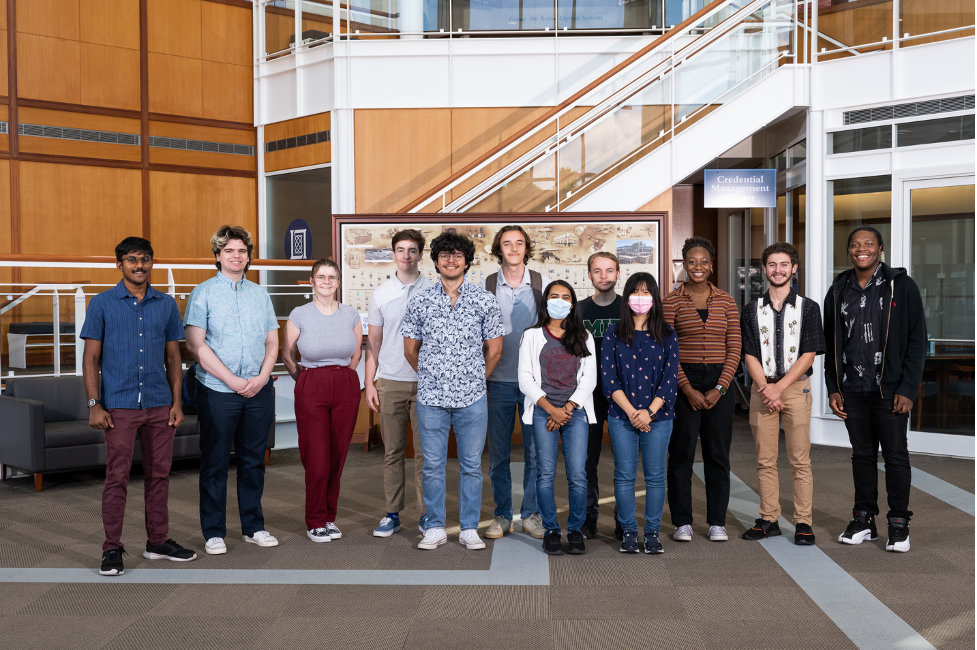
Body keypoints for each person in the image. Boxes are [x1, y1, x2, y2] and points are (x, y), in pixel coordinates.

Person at [81, 237, 197, 576]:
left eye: (145, 259)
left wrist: (177, 402)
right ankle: (112, 548)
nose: (139, 265)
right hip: (119, 405)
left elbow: (174, 357)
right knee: (116, 478)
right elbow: (91, 358)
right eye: (132, 259)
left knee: (159, 476)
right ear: (119, 264)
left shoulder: (165, 304)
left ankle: (157, 541)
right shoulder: (102, 304)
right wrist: (94, 404)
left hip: (160, 405)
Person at [825, 226, 926, 553]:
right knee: (862, 456)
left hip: (890, 389)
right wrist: (833, 387)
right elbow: (832, 343)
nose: (861, 249)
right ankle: (863, 518)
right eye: (855, 245)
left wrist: (908, 388)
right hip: (852, 389)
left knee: (895, 456)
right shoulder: (838, 289)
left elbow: (916, 341)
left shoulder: (901, 286)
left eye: (868, 244)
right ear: (850, 251)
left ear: (880, 249)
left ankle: (899, 523)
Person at [402, 233, 505, 551]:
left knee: (471, 465)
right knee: (432, 464)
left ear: (468, 261)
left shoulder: (483, 299)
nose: (451, 259)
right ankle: (434, 526)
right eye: (444, 254)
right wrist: (433, 377)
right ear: (435, 261)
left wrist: (475, 379)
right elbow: (410, 349)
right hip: (430, 398)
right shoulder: (420, 299)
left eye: (458, 254)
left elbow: (495, 349)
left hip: (472, 398)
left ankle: (469, 528)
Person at [184, 225, 280, 555]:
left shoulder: (260, 294)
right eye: (228, 251)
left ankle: (253, 526)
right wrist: (232, 380)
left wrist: (261, 378)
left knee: (254, 462)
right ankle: (213, 531)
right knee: (215, 463)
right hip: (217, 391)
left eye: (241, 251)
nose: (236, 256)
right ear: (217, 256)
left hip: (258, 390)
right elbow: (196, 346)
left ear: (249, 256)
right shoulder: (203, 293)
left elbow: (272, 341)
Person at [741, 243, 825, 546]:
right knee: (765, 459)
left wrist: (779, 387)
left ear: (794, 268)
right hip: (762, 390)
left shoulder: (809, 307)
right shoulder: (752, 309)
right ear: (765, 269)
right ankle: (769, 519)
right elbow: (749, 353)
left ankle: (803, 522)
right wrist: (766, 387)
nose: (778, 270)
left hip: (795, 388)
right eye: (772, 264)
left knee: (800, 459)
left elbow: (809, 353)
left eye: (784, 264)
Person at [663, 237, 741, 543]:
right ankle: (682, 522)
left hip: (721, 380)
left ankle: (716, 522)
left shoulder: (726, 301)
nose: (698, 267)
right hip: (684, 380)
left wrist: (721, 387)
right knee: (681, 453)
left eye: (704, 261)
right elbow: (667, 349)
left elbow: (734, 346)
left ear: (711, 264)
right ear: (684, 264)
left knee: (718, 455)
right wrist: (687, 388)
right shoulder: (671, 301)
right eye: (692, 262)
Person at [479, 225, 550, 540]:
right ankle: (502, 515)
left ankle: (532, 514)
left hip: (534, 384)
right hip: (498, 381)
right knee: (499, 454)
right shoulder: (487, 285)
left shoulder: (540, 283)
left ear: (526, 248)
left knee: (536, 452)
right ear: (499, 249)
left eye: (518, 243)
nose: (513, 247)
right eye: (507, 243)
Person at [283, 258, 362, 543]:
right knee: (316, 456)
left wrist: (347, 376)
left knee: (337, 454)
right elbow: (287, 354)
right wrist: (303, 379)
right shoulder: (299, 314)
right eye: (321, 277)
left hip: (345, 383)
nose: (326, 281)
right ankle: (315, 519)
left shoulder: (351, 314)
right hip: (312, 382)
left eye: (332, 277)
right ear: (312, 281)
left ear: (338, 283)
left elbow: (356, 352)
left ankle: (329, 517)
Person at [518, 281, 597, 555]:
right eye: (554, 296)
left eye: (566, 297)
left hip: (574, 413)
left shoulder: (584, 336)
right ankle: (551, 529)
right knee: (545, 473)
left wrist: (567, 409)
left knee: (577, 474)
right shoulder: (532, 336)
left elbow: (590, 379)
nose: (560, 301)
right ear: (546, 302)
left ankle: (575, 530)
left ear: (573, 304)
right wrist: (551, 409)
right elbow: (525, 379)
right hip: (543, 411)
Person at [602, 273, 679, 554]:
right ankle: (629, 532)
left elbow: (670, 380)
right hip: (622, 416)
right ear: (627, 297)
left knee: (656, 476)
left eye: (647, 293)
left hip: (658, 417)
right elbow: (609, 379)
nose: (641, 298)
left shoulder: (668, 334)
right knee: (624, 475)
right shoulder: (613, 332)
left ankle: (653, 533)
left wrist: (649, 412)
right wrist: (635, 412)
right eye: (636, 292)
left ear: (655, 298)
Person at [364, 229, 431, 537]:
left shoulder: (434, 290)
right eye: (401, 250)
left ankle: (428, 514)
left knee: (425, 454)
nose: (406, 255)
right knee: (393, 452)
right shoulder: (381, 293)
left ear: (420, 254)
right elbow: (373, 344)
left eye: (412, 250)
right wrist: (370, 382)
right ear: (393, 254)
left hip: (426, 383)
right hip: (390, 381)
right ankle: (392, 514)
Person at [577, 251, 622, 539]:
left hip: (621, 395)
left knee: (623, 460)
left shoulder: (628, 310)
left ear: (618, 274)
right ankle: (588, 517)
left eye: (609, 271)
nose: (603, 276)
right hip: (587, 395)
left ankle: (623, 518)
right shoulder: (579, 311)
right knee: (587, 459)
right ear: (589, 275)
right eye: (597, 271)